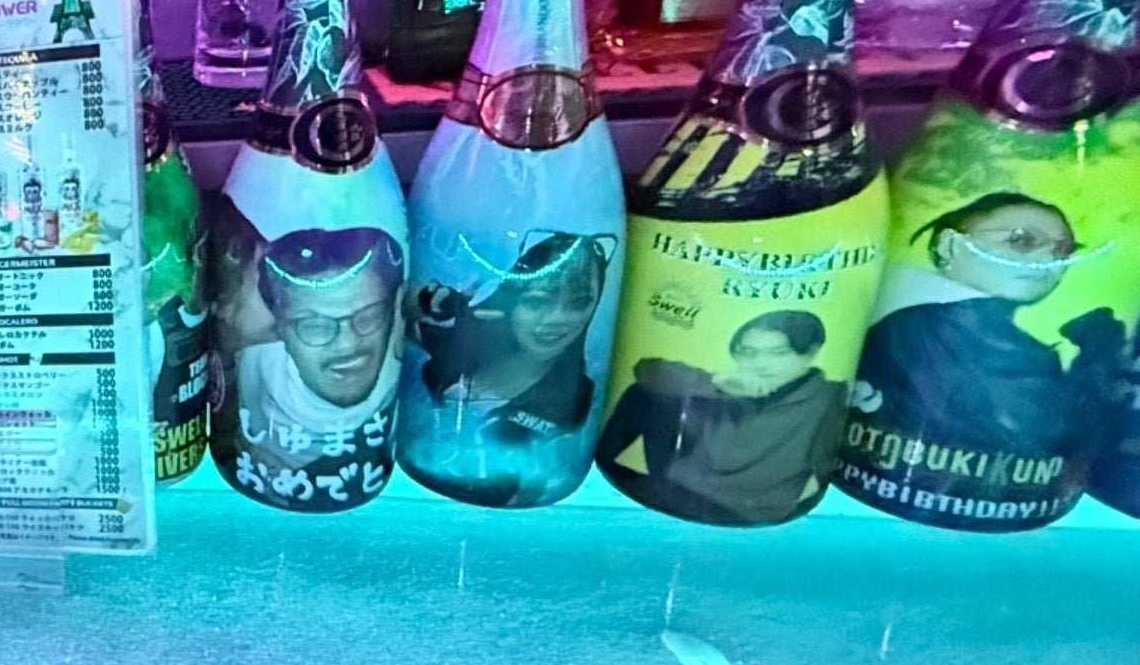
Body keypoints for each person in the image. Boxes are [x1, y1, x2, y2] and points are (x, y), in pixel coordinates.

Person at [852, 192, 1124, 464]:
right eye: (1021, 241)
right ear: (949, 246)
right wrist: (1094, 360)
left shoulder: (1024, 349)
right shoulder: (919, 330)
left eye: (1064, 250)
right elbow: (1030, 434)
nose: (1048, 259)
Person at [409, 232, 611, 504]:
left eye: (579, 303)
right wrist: (440, 304)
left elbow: (531, 485)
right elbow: (403, 314)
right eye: (537, 301)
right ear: (511, 300)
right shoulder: (465, 343)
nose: (557, 319)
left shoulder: (575, 399)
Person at [600, 309, 848, 524]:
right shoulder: (730, 386)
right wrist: (715, 382)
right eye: (748, 352)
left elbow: (821, 467)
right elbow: (648, 370)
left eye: (778, 353)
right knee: (645, 392)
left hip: (751, 507)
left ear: (811, 352)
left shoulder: (829, 396)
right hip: (680, 487)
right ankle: (609, 465)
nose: (760, 363)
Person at [230, 226, 401, 460]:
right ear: (279, 328)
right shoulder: (255, 368)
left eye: (369, 316)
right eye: (315, 326)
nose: (347, 345)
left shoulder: (402, 359)